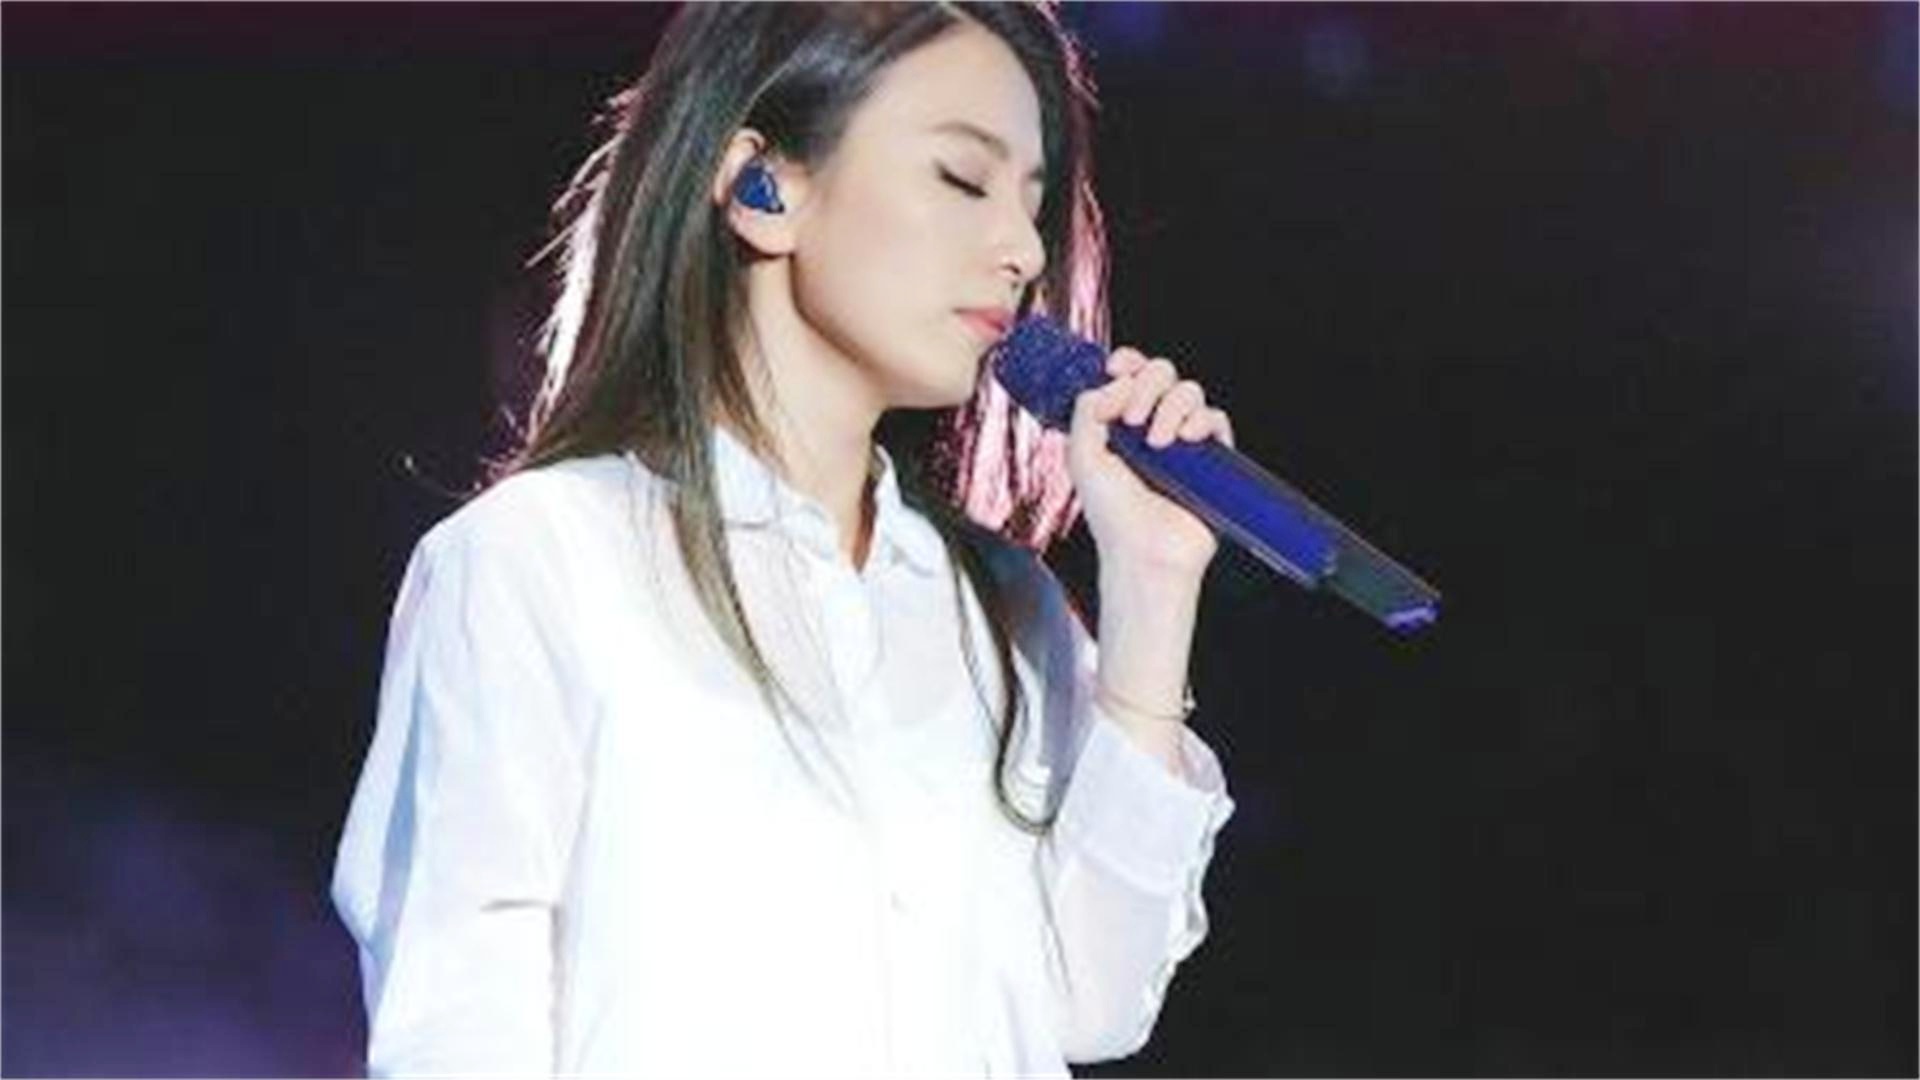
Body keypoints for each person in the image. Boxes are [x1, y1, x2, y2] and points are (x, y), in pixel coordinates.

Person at [331, 3, 1239, 1075]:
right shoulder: (541, 562)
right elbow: (458, 1033)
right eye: (963, 179)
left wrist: (1153, 585)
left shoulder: (1001, 609)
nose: (1021, 249)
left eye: (1034, 205)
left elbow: (1096, 1003)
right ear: (763, 187)